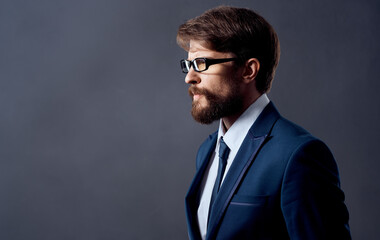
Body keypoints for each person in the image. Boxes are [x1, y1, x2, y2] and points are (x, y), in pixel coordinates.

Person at [177, 6, 351, 240]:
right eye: (188, 65)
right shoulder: (207, 151)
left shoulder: (298, 155)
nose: (189, 77)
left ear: (249, 70)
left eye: (201, 63)